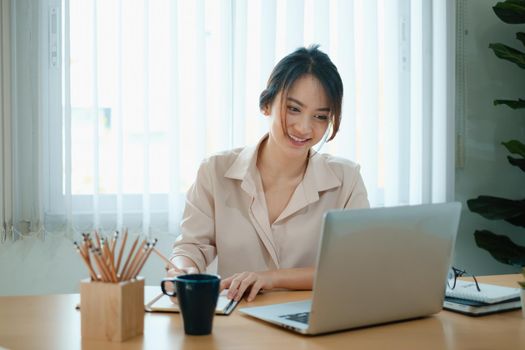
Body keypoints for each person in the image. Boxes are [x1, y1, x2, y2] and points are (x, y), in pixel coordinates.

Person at [168, 45, 369, 302]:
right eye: (294, 109)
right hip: (239, 321)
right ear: (266, 104)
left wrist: (270, 278)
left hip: (312, 320)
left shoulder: (347, 179)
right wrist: (183, 268)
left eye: (320, 116)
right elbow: (191, 246)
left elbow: (351, 268)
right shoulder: (215, 171)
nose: (304, 127)